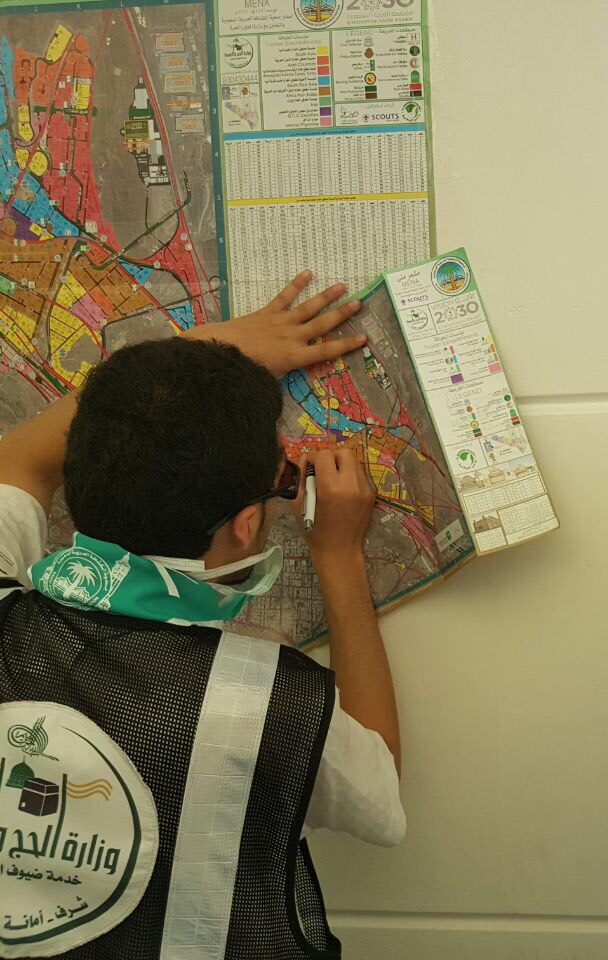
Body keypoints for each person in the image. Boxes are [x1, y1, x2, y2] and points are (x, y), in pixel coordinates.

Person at [0, 274, 405, 958]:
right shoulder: (266, 703)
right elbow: (380, 791)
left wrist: (196, 357)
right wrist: (339, 556)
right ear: (247, 524)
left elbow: (18, 461)